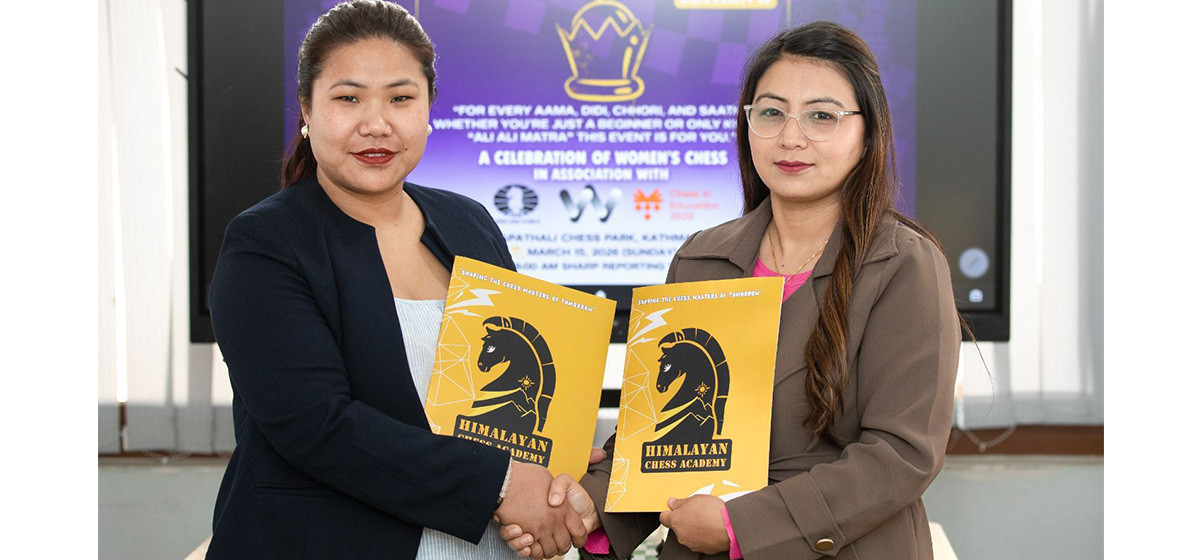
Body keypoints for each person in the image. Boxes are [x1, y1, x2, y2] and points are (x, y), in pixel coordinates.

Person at [503, 21, 961, 560]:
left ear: (868, 134)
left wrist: (740, 525)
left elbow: (900, 456)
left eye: (822, 115)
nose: (791, 137)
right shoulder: (701, 258)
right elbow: (658, 429)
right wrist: (591, 505)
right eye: (770, 113)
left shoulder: (903, 264)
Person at [205, 2, 588, 558]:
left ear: (428, 107)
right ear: (307, 109)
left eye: (401, 98)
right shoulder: (265, 244)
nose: (376, 124)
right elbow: (319, 427)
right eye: (349, 98)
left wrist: (558, 472)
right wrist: (504, 484)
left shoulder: (469, 221)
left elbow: (507, 395)